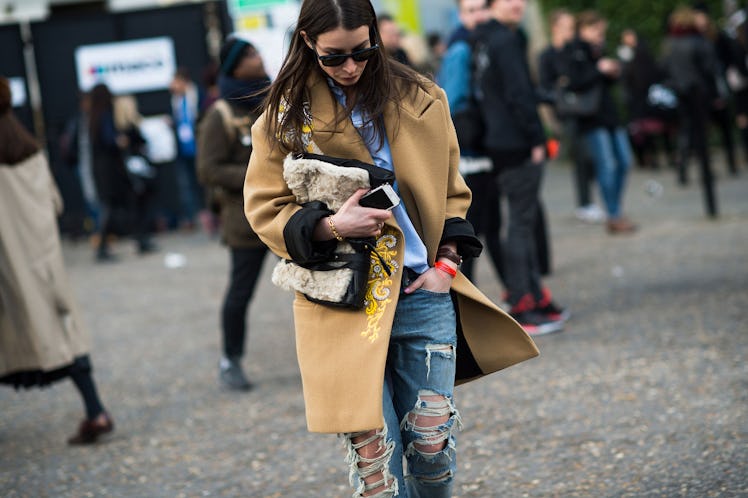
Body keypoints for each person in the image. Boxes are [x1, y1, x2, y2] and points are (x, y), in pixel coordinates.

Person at [243, 1, 538, 496]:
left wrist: (446, 265)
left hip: (424, 293)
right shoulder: (284, 118)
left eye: (362, 51)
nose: (351, 67)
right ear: (307, 44)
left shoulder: (422, 97)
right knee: (377, 472)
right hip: (343, 305)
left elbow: (452, 192)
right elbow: (264, 209)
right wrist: (333, 225)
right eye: (333, 57)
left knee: (432, 447)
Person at [0, 76, 114, 445]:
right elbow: (55, 203)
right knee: (65, 337)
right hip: (44, 263)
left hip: (7, 270)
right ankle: (95, 409)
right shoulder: (29, 150)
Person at [473, 0, 567, 335]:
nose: (518, 4)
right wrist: (537, 139)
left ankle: (532, 297)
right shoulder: (504, 40)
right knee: (521, 225)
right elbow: (518, 95)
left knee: (518, 222)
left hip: (499, 142)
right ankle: (524, 303)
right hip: (515, 143)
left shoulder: (485, 39)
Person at [196, 37, 271, 391]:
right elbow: (208, 169)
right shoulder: (221, 114)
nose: (259, 58)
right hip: (246, 220)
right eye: (250, 55)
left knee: (318, 280)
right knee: (241, 291)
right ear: (235, 66)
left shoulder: (273, 99)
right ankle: (231, 360)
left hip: (291, 213)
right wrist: (259, 175)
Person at [437, 0, 505, 285]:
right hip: (471, 156)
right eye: (470, 10)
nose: (478, 15)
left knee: (489, 228)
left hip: (483, 151)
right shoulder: (461, 49)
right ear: (460, 15)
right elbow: (448, 105)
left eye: (482, 8)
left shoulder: (482, 43)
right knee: (472, 232)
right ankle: (468, 301)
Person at [564, 10, 637, 233]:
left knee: (625, 162)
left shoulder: (598, 50)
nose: (599, 35)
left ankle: (615, 210)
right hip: (592, 119)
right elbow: (575, 82)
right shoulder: (574, 51)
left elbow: (603, 85)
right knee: (607, 165)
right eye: (595, 30)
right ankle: (613, 215)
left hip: (610, 115)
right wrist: (598, 69)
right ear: (583, 29)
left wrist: (611, 72)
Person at [538, 9, 603, 223]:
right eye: (567, 27)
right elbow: (546, 86)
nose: (571, 31)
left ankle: (587, 201)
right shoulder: (547, 55)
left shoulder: (574, 50)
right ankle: (584, 203)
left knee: (590, 157)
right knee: (582, 157)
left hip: (584, 109)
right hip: (565, 113)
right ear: (555, 27)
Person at [662, 6, 720, 218]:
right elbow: (709, 69)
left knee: (685, 132)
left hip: (680, 93)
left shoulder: (670, 43)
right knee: (700, 132)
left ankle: (683, 170)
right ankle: (704, 172)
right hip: (698, 93)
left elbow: (664, 68)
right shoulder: (698, 41)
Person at [88, 83, 132, 261]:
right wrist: (120, 141)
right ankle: (102, 245)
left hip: (101, 168)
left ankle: (103, 244)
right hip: (109, 169)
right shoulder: (105, 114)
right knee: (109, 206)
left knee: (107, 206)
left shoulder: (93, 116)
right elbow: (109, 140)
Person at [113, 95, 158, 255]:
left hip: (130, 174)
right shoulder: (128, 129)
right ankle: (141, 239)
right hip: (134, 175)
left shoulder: (121, 129)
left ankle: (141, 238)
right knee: (139, 208)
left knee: (137, 208)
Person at [169, 67, 206, 230]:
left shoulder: (198, 96)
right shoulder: (175, 100)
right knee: (187, 185)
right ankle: (193, 218)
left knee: (204, 183)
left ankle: (210, 216)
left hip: (199, 148)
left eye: (175, 82)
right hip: (184, 151)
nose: (172, 86)